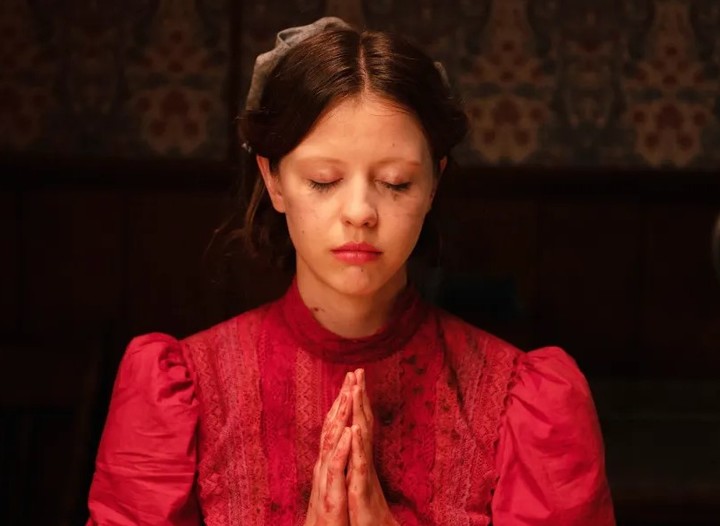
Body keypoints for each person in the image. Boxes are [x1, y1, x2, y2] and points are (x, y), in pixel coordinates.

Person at [86, 17, 615, 526]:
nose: (360, 212)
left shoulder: (524, 402)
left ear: (434, 184)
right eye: (323, 180)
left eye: (396, 182)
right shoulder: (182, 392)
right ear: (274, 180)